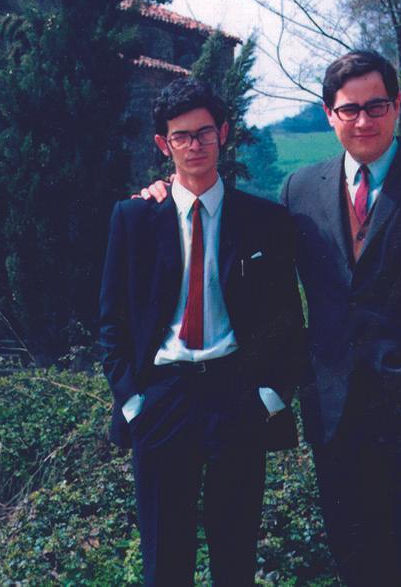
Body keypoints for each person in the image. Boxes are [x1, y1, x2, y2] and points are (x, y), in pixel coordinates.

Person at [139, 51, 401, 586]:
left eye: (376, 105)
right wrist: (165, 196)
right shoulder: (301, 190)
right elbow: (260, 279)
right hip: (338, 417)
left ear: (397, 106)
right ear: (329, 114)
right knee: (358, 564)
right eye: (349, 109)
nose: (363, 120)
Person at [100, 77, 305, 586]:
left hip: (235, 393)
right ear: (163, 144)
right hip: (163, 397)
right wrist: (132, 402)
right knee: (164, 562)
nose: (194, 146)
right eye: (181, 136)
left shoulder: (265, 221)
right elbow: (111, 322)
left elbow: (287, 319)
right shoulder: (133, 218)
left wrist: (272, 395)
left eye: (205, 133)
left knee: (235, 554)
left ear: (224, 134)